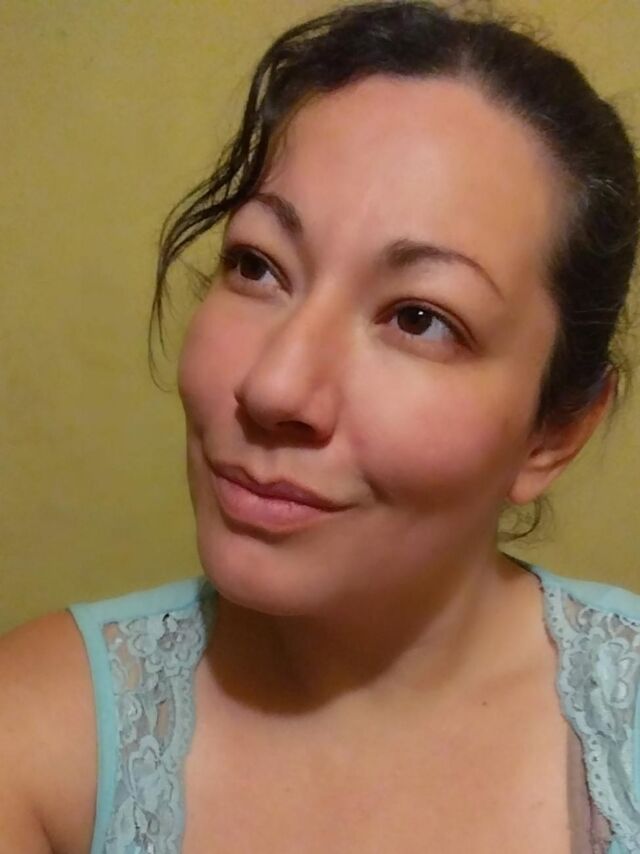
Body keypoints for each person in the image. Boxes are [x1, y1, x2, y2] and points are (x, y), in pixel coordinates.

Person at [1, 1, 639, 851]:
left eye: (418, 318)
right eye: (258, 266)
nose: (274, 386)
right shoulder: (35, 739)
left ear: (555, 431)